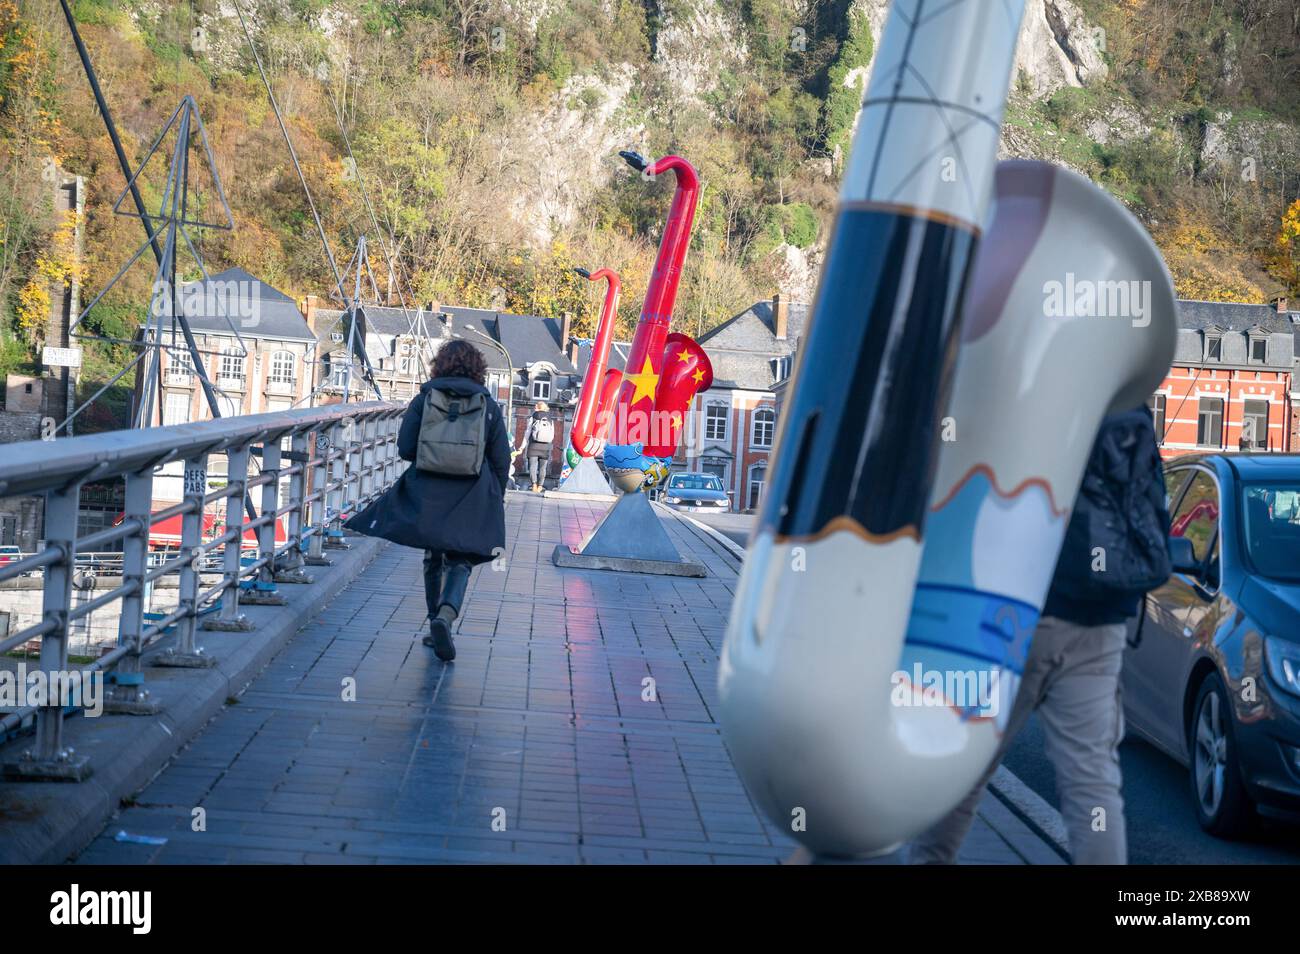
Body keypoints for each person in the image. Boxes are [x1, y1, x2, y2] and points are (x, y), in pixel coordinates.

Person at [908, 406, 1171, 865]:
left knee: (964, 765)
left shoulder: (1037, 373)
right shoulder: (1128, 398)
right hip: (1100, 620)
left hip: (1011, 613)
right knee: (1093, 785)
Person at [345, 340, 510, 662]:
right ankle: (445, 618)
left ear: (440, 365)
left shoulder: (425, 398)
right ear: (478, 368)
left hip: (429, 490)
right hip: (472, 492)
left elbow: (406, 447)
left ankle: (435, 621)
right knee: (462, 559)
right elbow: (500, 458)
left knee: (433, 556)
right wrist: (495, 496)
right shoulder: (488, 405)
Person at [525, 401, 554, 492]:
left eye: (536, 405)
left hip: (533, 445)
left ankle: (534, 484)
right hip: (545, 447)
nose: (534, 407)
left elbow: (528, 432)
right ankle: (540, 486)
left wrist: (522, 446)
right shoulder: (550, 418)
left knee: (532, 466)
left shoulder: (533, 416)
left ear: (538, 407)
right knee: (543, 468)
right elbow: (552, 434)